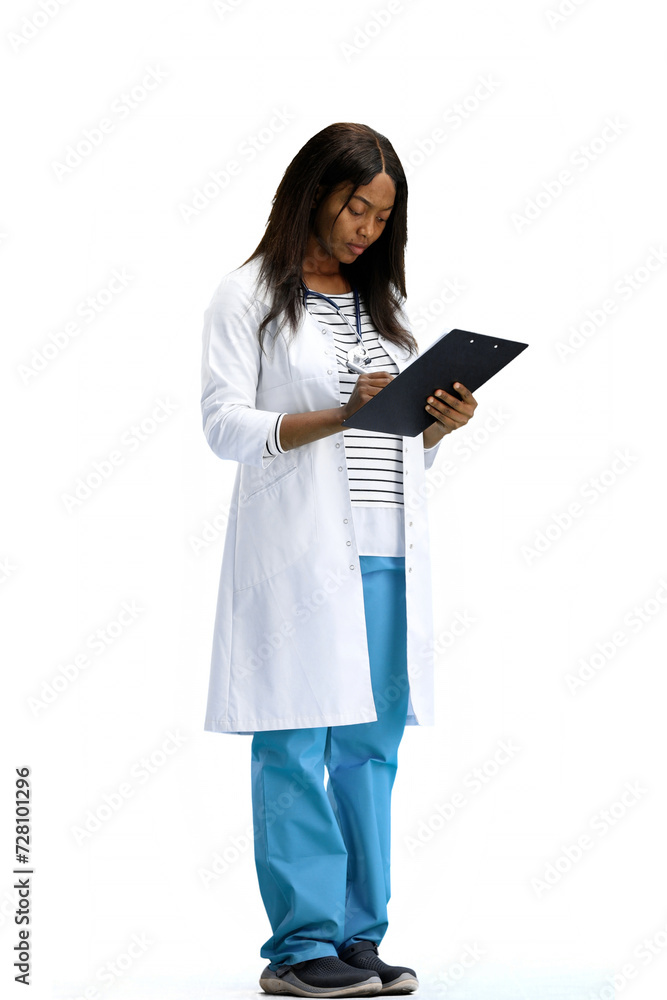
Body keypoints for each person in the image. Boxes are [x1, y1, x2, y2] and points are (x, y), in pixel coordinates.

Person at [200, 122, 477, 998]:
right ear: (313, 191)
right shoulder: (247, 296)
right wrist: (338, 413)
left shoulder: (380, 307)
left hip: (387, 553)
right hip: (300, 561)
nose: (367, 228)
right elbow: (223, 426)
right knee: (293, 745)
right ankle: (299, 947)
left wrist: (434, 424)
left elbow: (394, 443)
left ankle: (358, 939)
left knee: (369, 752)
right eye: (357, 206)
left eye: (382, 216)